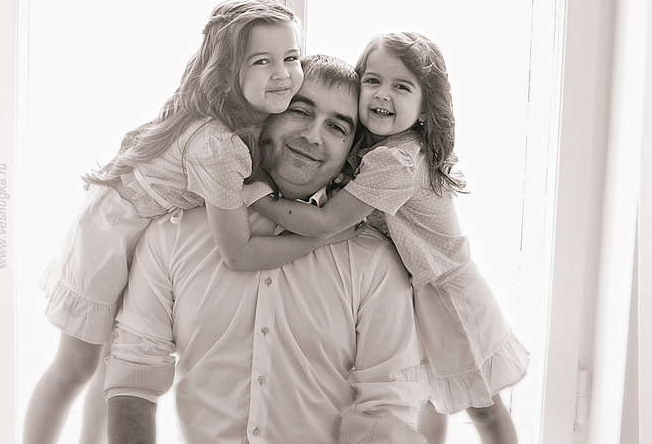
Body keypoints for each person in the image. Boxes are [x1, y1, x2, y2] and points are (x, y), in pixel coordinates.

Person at [23, 0, 358, 444]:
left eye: (291, 58)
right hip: (110, 234)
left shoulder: (239, 122)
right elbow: (237, 252)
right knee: (76, 366)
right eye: (262, 61)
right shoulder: (217, 142)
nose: (282, 74)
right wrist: (321, 236)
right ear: (229, 69)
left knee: (112, 364)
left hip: (132, 221)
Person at [105, 55, 428, 444]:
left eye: (336, 127)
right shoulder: (173, 233)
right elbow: (133, 379)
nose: (313, 136)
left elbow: (388, 411)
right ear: (266, 114)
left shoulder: (373, 261)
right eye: (299, 111)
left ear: (351, 152)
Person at [251, 33, 530, 444]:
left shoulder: (395, 160)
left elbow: (326, 221)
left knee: (483, 408)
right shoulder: (380, 149)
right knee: (426, 399)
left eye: (402, 86)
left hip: (448, 297)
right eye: (373, 81)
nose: (383, 94)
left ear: (424, 109)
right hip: (420, 288)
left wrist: (258, 197)